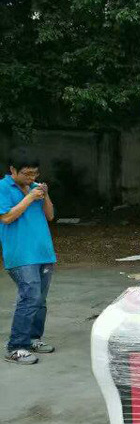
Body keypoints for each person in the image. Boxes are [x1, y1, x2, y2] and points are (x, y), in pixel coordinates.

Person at [0, 152, 57, 365]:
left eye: (35, 173)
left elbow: (50, 216)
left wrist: (45, 195)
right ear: (12, 170)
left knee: (40, 300)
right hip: (21, 254)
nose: (31, 178)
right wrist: (29, 198)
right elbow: (6, 217)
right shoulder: (3, 188)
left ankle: (33, 339)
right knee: (30, 297)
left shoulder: (34, 188)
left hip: (44, 252)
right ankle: (16, 347)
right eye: (26, 173)